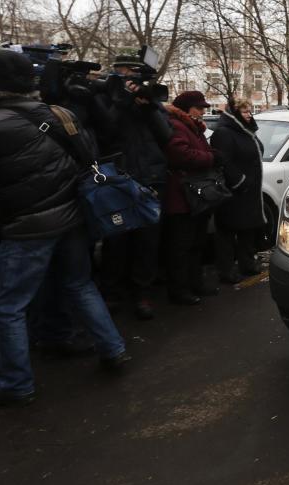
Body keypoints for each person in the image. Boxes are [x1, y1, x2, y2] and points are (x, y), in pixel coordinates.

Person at [0, 47, 129, 408]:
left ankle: (14, 384)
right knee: (80, 285)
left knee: (7, 306)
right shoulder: (61, 113)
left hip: (26, 227)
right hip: (73, 217)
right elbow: (90, 158)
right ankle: (113, 349)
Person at [96, 55, 173, 319]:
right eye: (125, 74)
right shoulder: (107, 99)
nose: (131, 81)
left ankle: (143, 293)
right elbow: (105, 132)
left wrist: (149, 107)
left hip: (150, 181)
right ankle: (112, 293)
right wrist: (122, 103)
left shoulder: (151, 104)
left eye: (135, 76)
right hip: (117, 180)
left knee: (147, 242)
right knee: (116, 241)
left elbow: (167, 137)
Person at [162, 90, 219, 305]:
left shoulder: (194, 127)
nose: (204, 111)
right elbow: (181, 155)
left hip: (194, 197)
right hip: (180, 198)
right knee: (180, 247)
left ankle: (195, 283)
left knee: (197, 244)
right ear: (187, 108)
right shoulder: (177, 126)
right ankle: (179, 290)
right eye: (200, 107)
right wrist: (211, 157)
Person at [209, 99, 265, 284]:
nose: (250, 114)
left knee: (247, 230)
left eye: (250, 111)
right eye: (245, 112)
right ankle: (226, 271)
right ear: (234, 113)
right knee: (227, 232)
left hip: (249, 192)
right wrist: (240, 181)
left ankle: (247, 264)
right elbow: (223, 161)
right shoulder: (224, 133)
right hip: (233, 192)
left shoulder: (246, 131)